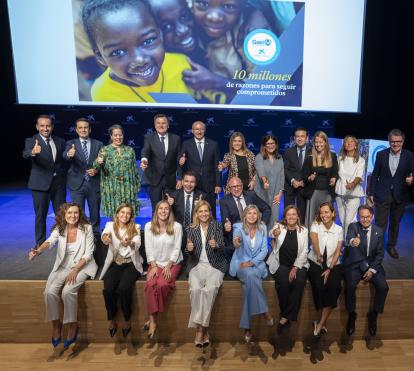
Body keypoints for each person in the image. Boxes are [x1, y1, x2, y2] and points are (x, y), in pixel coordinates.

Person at [81, 0, 193, 102]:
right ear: (100, 57)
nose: (139, 60)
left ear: (160, 34)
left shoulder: (182, 64)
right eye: (118, 52)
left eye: (148, 41)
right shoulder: (102, 93)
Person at [28, 203, 97, 352]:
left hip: (83, 266)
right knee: (49, 292)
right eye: (70, 213)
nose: (73, 216)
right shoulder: (59, 229)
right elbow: (49, 242)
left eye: (76, 213)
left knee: (67, 292)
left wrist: (76, 269)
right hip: (63, 266)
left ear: (80, 214)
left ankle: (73, 325)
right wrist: (38, 251)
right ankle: (56, 325)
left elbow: (88, 254)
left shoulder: (87, 229)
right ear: (64, 216)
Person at [185, 201, 227, 347]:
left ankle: (199, 330)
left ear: (210, 212)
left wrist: (217, 245)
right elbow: (187, 251)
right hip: (197, 265)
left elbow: (223, 246)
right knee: (196, 290)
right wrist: (189, 249)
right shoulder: (190, 228)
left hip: (215, 265)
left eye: (206, 211)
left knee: (209, 290)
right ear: (196, 213)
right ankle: (204, 329)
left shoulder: (217, 226)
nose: (203, 214)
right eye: (200, 211)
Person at [229, 205, 273, 343]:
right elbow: (236, 241)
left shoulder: (263, 228)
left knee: (249, 284)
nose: (252, 216)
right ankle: (265, 311)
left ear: (258, 215)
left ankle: (247, 328)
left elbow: (265, 250)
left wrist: (252, 262)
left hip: (256, 265)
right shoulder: (238, 227)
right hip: (241, 263)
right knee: (250, 275)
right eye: (249, 213)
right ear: (245, 215)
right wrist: (236, 242)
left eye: (255, 213)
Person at [343, 205, 389, 337]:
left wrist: (372, 270)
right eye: (362, 217)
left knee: (383, 287)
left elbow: (380, 254)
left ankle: (373, 315)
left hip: (373, 264)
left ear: (372, 217)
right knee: (350, 285)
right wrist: (353, 241)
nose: (365, 219)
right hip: (356, 263)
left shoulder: (379, 231)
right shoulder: (353, 227)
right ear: (358, 217)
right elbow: (349, 239)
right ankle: (352, 314)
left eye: (368, 217)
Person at [368, 128, 414, 259]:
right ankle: (378, 248)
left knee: (395, 223)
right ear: (389, 142)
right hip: (382, 194)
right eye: (393, 141)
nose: (395, 144)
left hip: (400, 195)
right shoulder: (381, 154)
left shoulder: (409, 156)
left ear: (403, 142)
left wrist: (412, 179)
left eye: (398, 141)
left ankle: (391, 246)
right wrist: (371, 192)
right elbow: (375, 174)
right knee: (380, 223)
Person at [100, 204, 142, 342]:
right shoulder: (110, 225)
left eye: (128, 213)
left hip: (131, 264)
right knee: (108, 290)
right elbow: (104, 235)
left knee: (124, 289)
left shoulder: (135, 227)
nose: (125, 215)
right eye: (122, 212)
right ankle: (111, 319)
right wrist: (105, 238)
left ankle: (127, 319)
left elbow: (137, 244)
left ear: (131, 216)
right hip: (115, 263)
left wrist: (130, 243)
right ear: (117, 214)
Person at [23, 115, 66, 247]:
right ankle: (40, 243)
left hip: (58, 184)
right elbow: (25, 153)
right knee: (41, 215)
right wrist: (33, 152)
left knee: (61, 215)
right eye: (42, 126)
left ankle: (61, 241)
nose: (45, 128)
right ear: (37, 127)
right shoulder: (32, 141)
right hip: (40, 185)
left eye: (48, 125)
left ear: (52, 127)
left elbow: (63, 159)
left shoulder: (60, 141)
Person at [144, 200, 183, 339]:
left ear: (170, 211)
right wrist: (153, 266)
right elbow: (148, 248)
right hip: (155, 263)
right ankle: (153, 321)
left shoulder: (177, 226)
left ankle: (152, 319)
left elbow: (177, 248)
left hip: (173, 262)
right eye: (161, 208)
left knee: (162, 284)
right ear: (156, 211)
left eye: (166, 208)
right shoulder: (149, 226)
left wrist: (168, 265)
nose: (163, 211)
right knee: (149, 284)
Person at [267, 205, 308, 334]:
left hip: (298, 264)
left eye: (294, 214)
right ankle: (288, 315)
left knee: (299, 282)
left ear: (298, 217)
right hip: (281, 263)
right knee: (283, 284)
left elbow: (304, 251)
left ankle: (284, 317)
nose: (291, 217)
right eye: (288, 214)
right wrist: (274, 233)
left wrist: (295, 268)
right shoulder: (279, 226)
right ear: (285, 217)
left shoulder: (304, 230)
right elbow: (270, 233)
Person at [307, 202, 343, 338]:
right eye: (322, 212)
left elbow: (338, 252)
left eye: (327, 212)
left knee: (335, 287)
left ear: (333, 213)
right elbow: (314, 240)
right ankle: (321, 322)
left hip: (333, 264)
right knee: (319, 285)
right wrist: (318, 255)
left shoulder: (339, 229)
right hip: (316, 261)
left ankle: (320, 323)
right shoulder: (315, 225)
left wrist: (329, 268)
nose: (324, 215)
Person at [64, 118, 103, 235]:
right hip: (77, 183)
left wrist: (96, 170)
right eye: (80, 128)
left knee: (95, 212)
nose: (83, 130)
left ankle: (95, 236)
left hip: (94, 183)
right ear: (76, 130)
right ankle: (79, 236)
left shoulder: (99, 144)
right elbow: (65, 156)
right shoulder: (71, 144)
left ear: (90, 129)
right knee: (77, 213)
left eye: (85, 127)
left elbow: (103, 162)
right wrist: (69, 154)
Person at [93, 125, 140, 217]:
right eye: (115, 135)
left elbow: (134, 169)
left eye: (120, 135)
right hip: (111, 188)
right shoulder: (105, 150)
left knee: (128, 213)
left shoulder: (130, 150)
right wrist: (98, 162)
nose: (118, 137)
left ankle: (128, 231)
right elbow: (96, 166)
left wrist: (136, 185)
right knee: (115, 213)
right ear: (111, 136)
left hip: (127, 188)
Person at [220, 176, 271, 258]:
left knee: (263, 257)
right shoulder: (224, 201)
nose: (236, 189)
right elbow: (225, 218)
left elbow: (266, 209)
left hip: (253, 234)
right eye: (233, 187)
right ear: (229, 189)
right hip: (236, 236)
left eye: (238, 186)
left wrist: (263, 222)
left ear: (242, 186)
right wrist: (226, 224)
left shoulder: (251, 195)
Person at [179, 121, 221, 218]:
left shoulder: (213, 144)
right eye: (196, 129)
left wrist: (218, 184)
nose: (199, 131)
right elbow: (180, 162)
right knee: (194, 212)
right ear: (192, 131)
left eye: (201, 129)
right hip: (193, 185)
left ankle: (211, 232)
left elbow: (217, 166)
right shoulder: (186, 144)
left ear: (204, 130)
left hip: (210, 185)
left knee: (210, 211)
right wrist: (181, 162)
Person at [140, 114, 182, 211]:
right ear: (155, 125)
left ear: (168, 125)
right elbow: (145, 150)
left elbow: (179, 160)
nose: (161, 125)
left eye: (163, 123)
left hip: (171, 180)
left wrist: (179, 178)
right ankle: (156, 226)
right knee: (156, 209)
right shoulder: (149, 137)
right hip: (155, 179)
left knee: (171, 208)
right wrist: (144, 160)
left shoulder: (176, 139)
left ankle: (170, 226)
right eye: (158, 123)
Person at [302, 131, 338, 228]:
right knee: (312, 219)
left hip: (327, 193)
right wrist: (309, 177)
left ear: (325, 142)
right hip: (313, 192)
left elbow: (335, 172)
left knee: (326, 218)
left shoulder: (333, 156)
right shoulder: (309, 156)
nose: (318, 144)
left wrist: (334, 178)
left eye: (320, 142)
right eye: (316, 142)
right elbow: (304, 174)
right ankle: (311, 241)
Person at [335, 135, 366, 239]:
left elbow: (359, 176)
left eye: (351, 141)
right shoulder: (339, 159)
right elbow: (335, 174)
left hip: (354, 194)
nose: (348, 143)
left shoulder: (361, 160)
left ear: (356, 145)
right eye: (346, 142)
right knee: (343, 221)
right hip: (340, 193)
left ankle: (349, 243)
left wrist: (352, 184)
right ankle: (346, 242)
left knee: (349, 220)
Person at [254, 135, 284, 229]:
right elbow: (260, 171)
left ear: (276, 145)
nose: (270, 146)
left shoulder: (280, 158)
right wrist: (265, 181)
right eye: (268, 144)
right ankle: (261, 242)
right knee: (262, 220)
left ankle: (272, 241)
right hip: (261, 194)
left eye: (272, 143)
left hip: (275, 195)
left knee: (274, 219)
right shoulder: (259, 157)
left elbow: (282, 176)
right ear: (264, 146)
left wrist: (280, 194)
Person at [283, 127, 311, 224]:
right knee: (288, 215)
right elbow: (285, 169)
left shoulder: (312, 152)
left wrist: (305, 181)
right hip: (290, 188)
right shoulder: (288, 152)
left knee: (302, 216)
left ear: (307, 138)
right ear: (294, 138)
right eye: (297, 136)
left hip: (305, 188)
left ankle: (301, 236)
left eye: (302, 136)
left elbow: (313, 170)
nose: (299, 138)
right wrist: (293, 181)